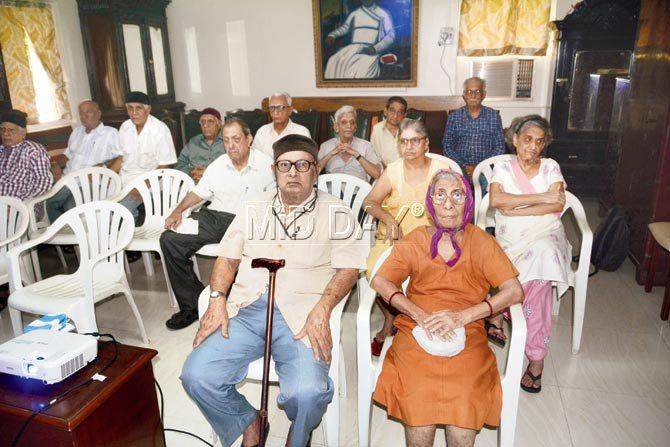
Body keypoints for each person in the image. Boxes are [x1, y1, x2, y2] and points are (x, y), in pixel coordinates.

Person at [180, 134, 368, 447]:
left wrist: (324, 307)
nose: (293, 172)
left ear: (315, 171)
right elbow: (226, 258)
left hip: (302, 315)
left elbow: (349, 267)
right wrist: (216, 300)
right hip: (247, 308)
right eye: (285, 165)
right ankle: (249, 421)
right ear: (274, 170)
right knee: (197, 375)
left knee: (306, 395)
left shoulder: (337, 212)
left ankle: (299, 434)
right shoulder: (253, 207)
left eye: (303, 164)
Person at [371, 169, 523, 447]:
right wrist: (418, 313)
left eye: (457, 194)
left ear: (469, 202)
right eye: (440, 195)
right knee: (418, 387)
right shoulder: (416, 239)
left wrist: (464, 315)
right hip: (417, 326)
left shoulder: (482, 243)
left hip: (469, 329)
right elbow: (381, 280)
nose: (449, 204)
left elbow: (514, 290)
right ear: (430, 202)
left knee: (465, 391)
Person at [160, 118, 274, 330]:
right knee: (170, 239)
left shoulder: (266, 165)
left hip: (247, 221)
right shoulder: (219, 164)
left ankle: (244, 305)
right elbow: (198, 192)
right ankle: (192, 304)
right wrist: (178, 210)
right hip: (214, 217)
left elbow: (277, 201)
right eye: (226, 140)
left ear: (248, 139)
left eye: (236, 139)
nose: (231, 145)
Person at [487, 115, 572, 394]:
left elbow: (557, 203)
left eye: (539, 141)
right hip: (510, 237)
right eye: (527, 139)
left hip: (545, 234)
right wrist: (540, 199)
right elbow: (498, 201)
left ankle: (501, 310)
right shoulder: (502, 166)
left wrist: (518, 208)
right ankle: (533, 355)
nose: (533, 147)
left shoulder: (551, 167)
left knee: (544, 255)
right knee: (535, 281)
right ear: (515, 140)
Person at [363, 119, 455, 356]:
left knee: (435, 275)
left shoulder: (441, 172)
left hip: (430, 240)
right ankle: (393, 319)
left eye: (415, 140)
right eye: (403, 141)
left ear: (426, 143)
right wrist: (389, 219)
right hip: (393, 239)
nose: (409, 146)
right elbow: (369, 202)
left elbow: (455, 209)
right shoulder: (393, 170)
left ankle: (415, 325)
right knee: (377, 272)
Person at [0, 109, 53, 311]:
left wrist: (17, 205)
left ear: (23, 132)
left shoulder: (33, 150)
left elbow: (44, 182)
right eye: (2, 130)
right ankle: (6, 279)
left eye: (11, 130)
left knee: (8, 226)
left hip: (25, 208)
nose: (6, 134)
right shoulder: (0, 152)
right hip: (2, 208)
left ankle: (20, 281)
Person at [46, 100, 122, 222]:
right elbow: (67, 155)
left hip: (89, 181)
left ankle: (80, 236)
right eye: (81, 113)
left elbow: (121, 157)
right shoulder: (76, 132)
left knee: (72, 206)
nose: (84, 116)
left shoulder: (110, 133)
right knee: (48, 203)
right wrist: (55, 165)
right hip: (68, 179)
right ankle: (64, 235)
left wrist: (104, 165)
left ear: (98, 113)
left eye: (88, 112)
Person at [118, 91, 177, 222]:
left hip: (150, 183)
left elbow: (165, 166)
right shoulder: (125, 127)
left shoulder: (160, 130)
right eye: (130, 108)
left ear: (148, 109)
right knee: (98, 207)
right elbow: (121, 157)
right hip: (124, 180)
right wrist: (108, 175)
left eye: (138, 108)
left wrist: (141, 187)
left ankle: (126, 237)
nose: (134, 113)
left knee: (121, 212)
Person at [442, 77, 506, 179]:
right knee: (458, 189)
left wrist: (479, 166)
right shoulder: (454, 117)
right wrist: (466, 166)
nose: (473, 95)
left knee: (488, 188)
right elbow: (447, 147)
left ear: (483, 95)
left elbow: (500, 147)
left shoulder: (494, 116)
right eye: (469, 91)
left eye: (477, 91)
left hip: (486, 167)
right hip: (460, 167)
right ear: (464, 95)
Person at [324, 0, 395, 79]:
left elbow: (390, 36)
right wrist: (332, 35)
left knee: (362, 70)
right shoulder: (354, 13)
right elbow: (345, 28)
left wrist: (375, 48)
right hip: (352, 49)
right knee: (333, 60)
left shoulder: (383, 14)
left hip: (370, 50)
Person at [317, 105, 381, 181]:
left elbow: (377, 174)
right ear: (336, 127)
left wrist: (356, 154)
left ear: (355, 128)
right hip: (332, 191)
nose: (349, 125)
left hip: (360, 191)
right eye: (344, 122)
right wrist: (331, 153)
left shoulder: (366, 145)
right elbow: (314, 172)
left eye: (352, 122)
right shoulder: (325, 146)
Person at [251, 92, 310, 158]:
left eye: (281, 107)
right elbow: (254, 159)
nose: (276, 112)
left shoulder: (302, 132)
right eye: (272, 107)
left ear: (290, 110)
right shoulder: (262, 132)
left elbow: (306, 161)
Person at [174, 107, 225, 183]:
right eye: (202, 122)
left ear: (219, 124)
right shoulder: (193, 142)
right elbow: (179, 164)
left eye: (210, 121)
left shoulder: (227, 141)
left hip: (219, 185)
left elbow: (235, 166)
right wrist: (191, 172)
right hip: (195, 186)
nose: (205, 125)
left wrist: (208, 173)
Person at [370, 96, 407, 167]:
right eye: (392, 111)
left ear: (404, 115)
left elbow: (421, 153)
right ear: (385, 111)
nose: (395, 116)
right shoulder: (377, 129)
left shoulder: (412, 127)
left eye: (400, 112)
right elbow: (375, 158)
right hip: (387, 172)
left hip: (410, 171)